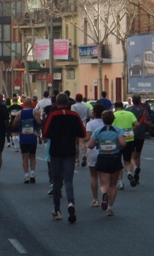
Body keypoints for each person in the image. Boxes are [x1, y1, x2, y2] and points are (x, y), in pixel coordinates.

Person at [42, 92, 85, 223]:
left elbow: (45, 133)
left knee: (56, 180)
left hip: (55, 151)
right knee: (68, 180)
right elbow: (82, 132)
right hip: (70, 151)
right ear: (68, 103)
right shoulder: (74, 115)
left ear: (56, 103)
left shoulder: (53, 115)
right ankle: (71, 203)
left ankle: (57, 210)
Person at [88, 110, 126, 216]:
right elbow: (122, 143)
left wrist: (98, 143)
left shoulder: (98, 131)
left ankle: (104, 194)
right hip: (115, 158)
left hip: (103, 158)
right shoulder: (118, 130)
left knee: (105, 184)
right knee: (113, 185)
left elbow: (90, 145)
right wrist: (120, 146)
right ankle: (109, 208)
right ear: (113, 119)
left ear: (103, 120)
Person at [12, 97, 40, 183]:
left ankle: (26, 175)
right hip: (32, 137)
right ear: (31, 103)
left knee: (24, 157)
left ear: (24, 104)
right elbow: (39, 122)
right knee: (32, 156)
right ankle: (32, 173)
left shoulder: (19, 113)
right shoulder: (34, 112)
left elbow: (14, 124)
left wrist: (19, 126)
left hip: (23, 137)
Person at [112, 101, 139, 188]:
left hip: (118, 140)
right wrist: (132, 129)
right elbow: (137, 124)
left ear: (115, 107)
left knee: (118, 162)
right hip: (129, 139)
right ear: (123, 107)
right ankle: (129, 173)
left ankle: (120, 183)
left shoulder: (114, 115)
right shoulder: (130, 114)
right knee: (127, 161)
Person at [126, 94, 151, 184]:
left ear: (132, 100)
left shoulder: (127, 110)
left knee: (131, 155)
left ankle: (134, 169)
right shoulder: (143, 110)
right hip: (140, 134)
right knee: (138, 155)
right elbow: (148, 122)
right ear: (140, 101)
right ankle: (137, 177)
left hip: (130, 134)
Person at [85, 103, 106, 206]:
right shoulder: (107, 123)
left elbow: (87, 137)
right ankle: (104, 194)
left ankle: (95, 199)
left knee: (93, 176)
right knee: (104, 176)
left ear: (95, 112)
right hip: (105, 151)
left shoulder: (90, 124)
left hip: (93, 150)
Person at [72, 93, 91, 167]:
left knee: (76, 144)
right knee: (83, 142)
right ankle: (84, 154)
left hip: (76, 125)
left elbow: (72, 115)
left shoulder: (73, 106)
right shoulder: (86, 106)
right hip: (84, 125)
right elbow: (90, 115)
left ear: (76, 99)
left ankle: (77, 160)